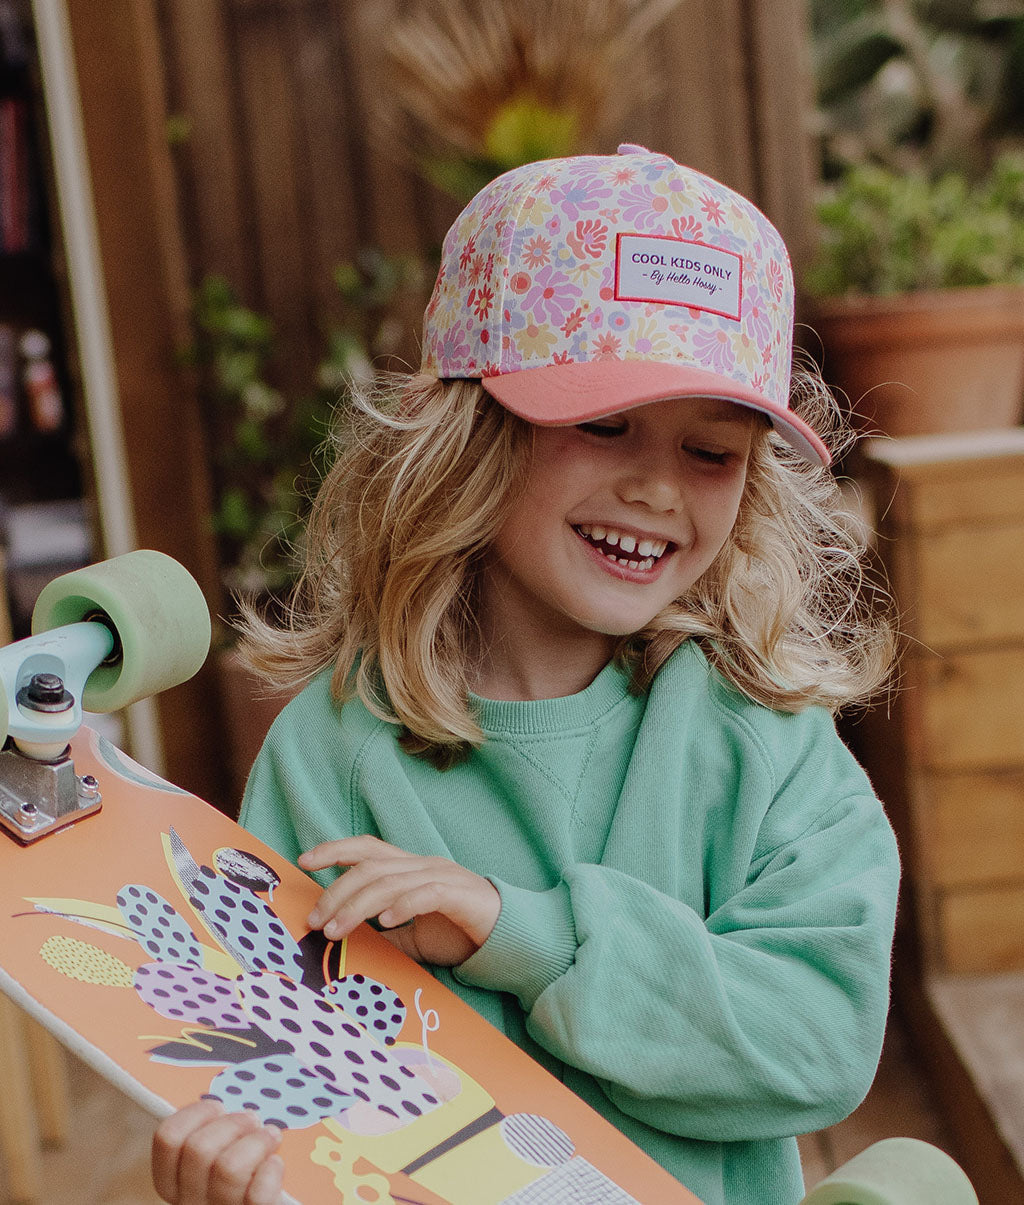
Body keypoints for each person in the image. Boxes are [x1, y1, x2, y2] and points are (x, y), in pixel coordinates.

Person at [152, 144, 900, 1205]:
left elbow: (817, 1039)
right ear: (470, 429)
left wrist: (527, 935)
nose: (653, 486)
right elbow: (286, 1070)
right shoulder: (336, 751)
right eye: (603, 423)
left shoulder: (766, 741)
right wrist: (241, 1178)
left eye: (711, 451)